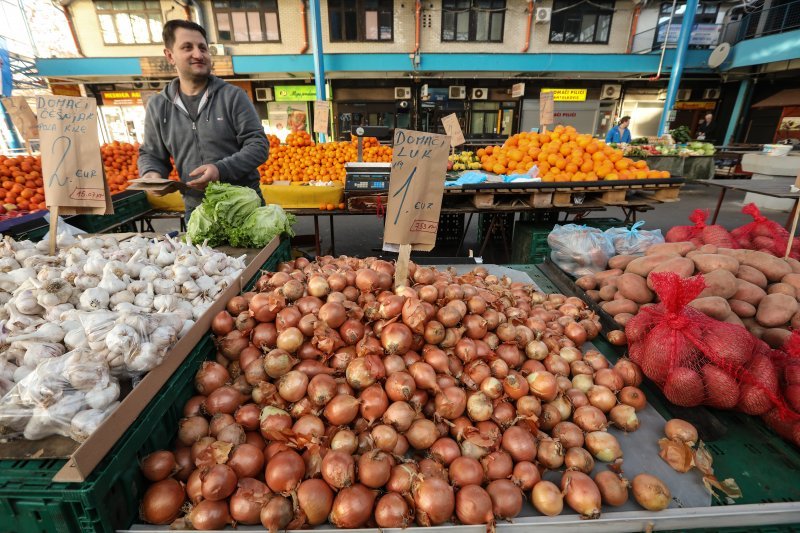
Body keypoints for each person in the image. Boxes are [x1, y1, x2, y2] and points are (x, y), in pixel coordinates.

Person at [138, 19, 269, 220]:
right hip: (198, 211)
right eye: (187, 47)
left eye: (203, 48)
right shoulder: (158, 106)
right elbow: (151, 154)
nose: (198, 55)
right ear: (170, 55)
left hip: (244, 206)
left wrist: (220, 169)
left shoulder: (233, 97)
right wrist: (152, 175)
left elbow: (258, 145)